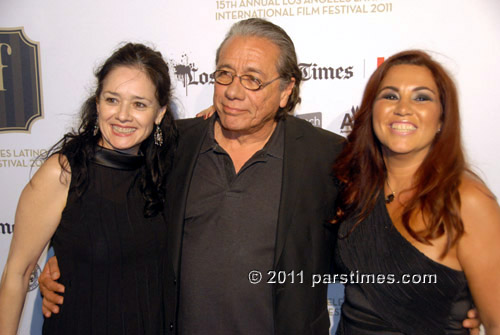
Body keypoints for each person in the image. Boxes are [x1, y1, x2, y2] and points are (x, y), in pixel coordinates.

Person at [38, 21, 482, 334]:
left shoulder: (329, 156)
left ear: (287, 90)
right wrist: (70, 267)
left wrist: (449, 298)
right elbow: (121, 219)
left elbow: (376, 241)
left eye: (253, 79)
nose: (233, 90)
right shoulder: (175, 143)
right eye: (226, 74)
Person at [0, 42, 177, 334]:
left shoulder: (165, 171)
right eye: (112, 100)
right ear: (97, 104)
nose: (122, 115)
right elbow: (16, 275)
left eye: (139, 104)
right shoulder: (63, 174)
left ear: (159, 113)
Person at [332, 50, 500, 334]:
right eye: (390, 96)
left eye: (421, 97)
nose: (403, 108)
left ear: (441, 120)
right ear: (372, 110)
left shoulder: (467, 201)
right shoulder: (356, 189)